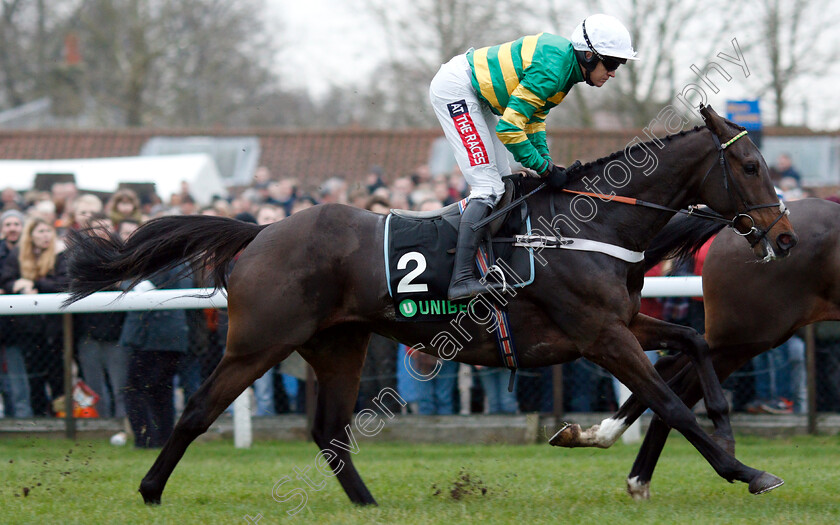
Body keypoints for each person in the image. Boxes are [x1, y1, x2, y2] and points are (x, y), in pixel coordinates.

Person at [430, 14, 638, 300]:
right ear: (589, 55)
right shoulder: (554, 69)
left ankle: (487, 264)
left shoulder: (566, 69)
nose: (613, 73)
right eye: (612, 63)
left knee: (502, 183)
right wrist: (544, 168)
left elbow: (535, 121)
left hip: (479, 97)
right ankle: (461, 279)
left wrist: (546, 164)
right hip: (457, 89)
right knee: (488, 188)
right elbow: (510, 128)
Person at [0, 216, 68, 416]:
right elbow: (6, 280)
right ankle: (39, 417)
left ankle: (61, 417)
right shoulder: (18, 255)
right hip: (27, 329)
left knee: (58, 376)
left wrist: (35, 284)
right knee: (34, 377)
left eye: (48, 231)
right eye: (40, 231)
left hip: (56, 328)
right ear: (30, 235)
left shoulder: (61, 254)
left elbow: (64, 283)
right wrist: (19, 287)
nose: (45, 236)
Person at [120, 263, 192, 448]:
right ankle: (162, 439)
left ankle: (147, 440)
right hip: (168, 338)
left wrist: (122, 280)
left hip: (154, 339)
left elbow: (140, 288)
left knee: (135, 390)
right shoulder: (179, 262)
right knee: (161, 391)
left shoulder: (163, 262)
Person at [73, 213, 129, 419]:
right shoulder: (79, 255)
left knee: (120, 387)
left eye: (105, 227)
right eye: (97, 227)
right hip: (89, 335)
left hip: (117, 335)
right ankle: (99, 425)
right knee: (94, 388)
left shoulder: (124, 253)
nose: (101, 232)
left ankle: (123, 425)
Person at [0, 209, 32, 417]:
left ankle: (22, 419)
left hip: (16, 328)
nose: (12, 228)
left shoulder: (29, 252)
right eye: (8, 224)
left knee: (17, 376)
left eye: (16, 224)